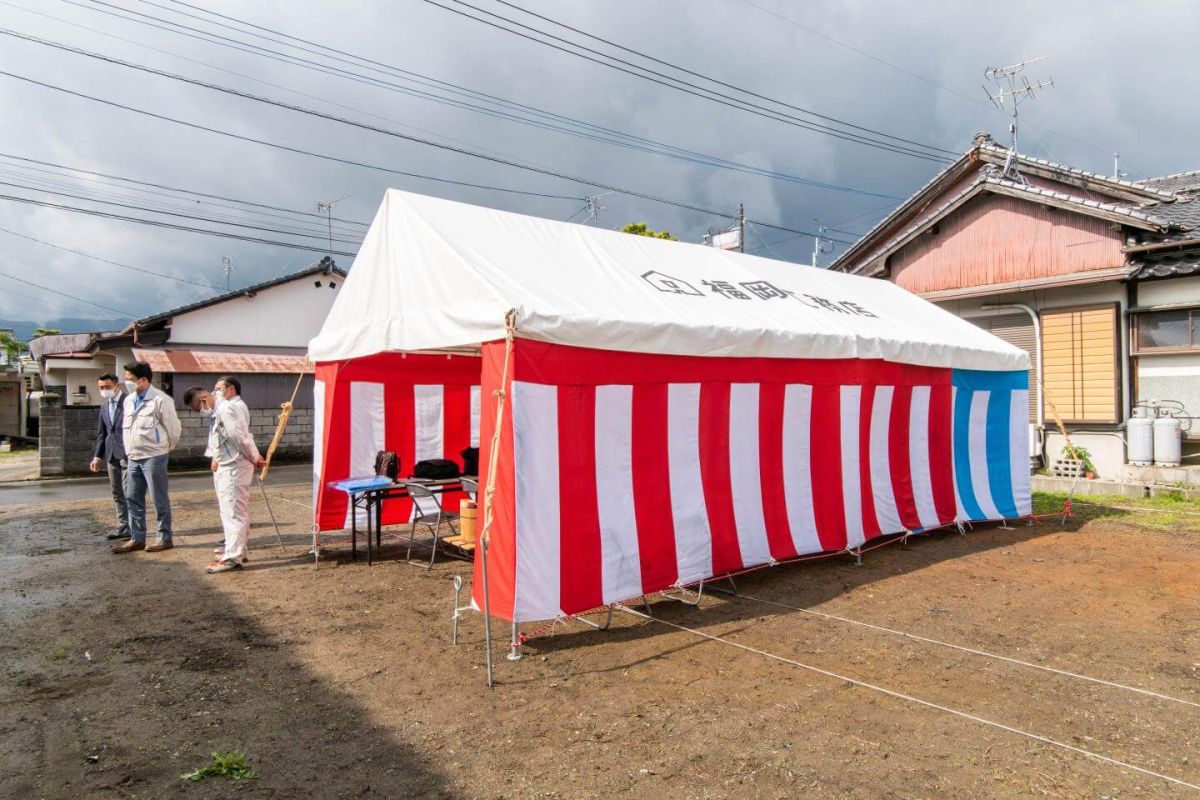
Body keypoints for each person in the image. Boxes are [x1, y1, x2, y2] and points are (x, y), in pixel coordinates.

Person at [186, 376, 264, 573]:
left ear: (204, 399)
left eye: (198, 406)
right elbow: (222, 438)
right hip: (228, 464)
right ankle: (236, 551)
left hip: (234, 466)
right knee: (232, 511)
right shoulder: (222, 408)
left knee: (233, 513)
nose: (201, 410)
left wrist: (254, 457)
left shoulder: (227, 408)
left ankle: (233, 557)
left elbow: (240, 436)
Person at [112, 362, 181, 554]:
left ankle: (164, 537)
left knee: (158, 498)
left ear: (143, 380)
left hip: (154, 456)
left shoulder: (160, 399)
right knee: (132, 497)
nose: (127, 383)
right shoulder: (128, 400)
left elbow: (173, 429)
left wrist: (165, 448)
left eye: (131, 379)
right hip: (133, 456)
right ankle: (137, 538)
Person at [89, 373, 129, 541]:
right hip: (111, 454)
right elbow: (102, 433)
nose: (104, 390)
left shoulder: (128, 402)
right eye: (101, 388)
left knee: (130, 492)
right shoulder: (105, 405)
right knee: (117, 492)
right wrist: (97, 456)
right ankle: (123, 526)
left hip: (128, 454)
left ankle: (136, 527)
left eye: (106, 387)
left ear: (116, 385)